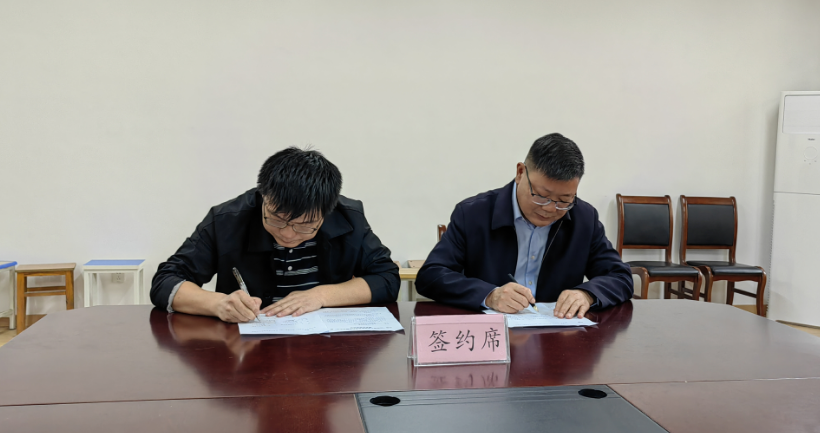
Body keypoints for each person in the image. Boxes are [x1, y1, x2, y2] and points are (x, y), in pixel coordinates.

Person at [150, 147, 399, 322]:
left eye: (305, 226)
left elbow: (387, 277)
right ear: (263, 196)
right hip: (245, 351)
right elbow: (165, 281)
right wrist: (218, 304)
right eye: (277, 219)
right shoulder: (227, 220)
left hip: (325, 349)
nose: (288, 234)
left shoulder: (349, 218)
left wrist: (321, 295)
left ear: (327, 211)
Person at [416, 133, 632, 319]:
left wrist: (588, 294)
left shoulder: (584, 219)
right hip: (491, 337)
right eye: (541, 196)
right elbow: (431, 276)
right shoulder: (473, 213)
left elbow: (620, 277)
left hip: (557, 337)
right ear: (520, 173)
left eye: (564, 200)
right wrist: (489, 295)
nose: (550, 208)